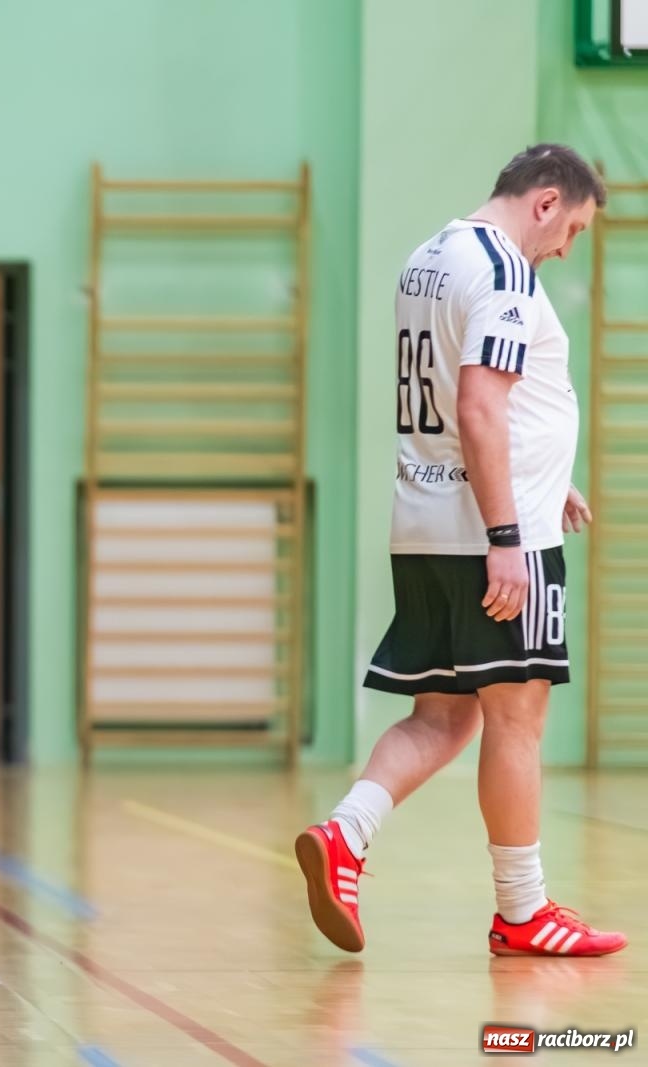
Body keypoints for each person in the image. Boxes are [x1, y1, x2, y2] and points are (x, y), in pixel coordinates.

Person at [296, 144, 626, 958]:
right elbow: (478, 407)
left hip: (426, 522)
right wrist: (508, 533)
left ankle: (344, 835)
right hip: (493, 536)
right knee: (517, 716)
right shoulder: (506, 269)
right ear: (545, 203)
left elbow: (467, 399)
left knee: (445, 715)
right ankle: (523, 910)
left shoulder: (429, 257)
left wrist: (548, 477)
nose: (567, 249)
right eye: (573, 229)